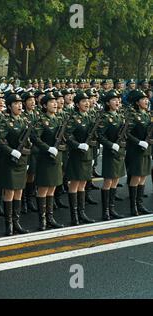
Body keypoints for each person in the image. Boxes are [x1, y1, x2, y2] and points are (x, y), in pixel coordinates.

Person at [0, 93, 30, 236]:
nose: (20, 105)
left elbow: (31, 139)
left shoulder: (24, 121)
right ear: (9, 106)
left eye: (21, 103)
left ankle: (17, 222)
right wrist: (11, 151)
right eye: (16, 103)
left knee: (19, 191)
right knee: (9, 192)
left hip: (21, 161)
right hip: (9, 160)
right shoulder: (5, 122)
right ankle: (8, 224)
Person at [32, 92, 65, 230]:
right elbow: (35, 138)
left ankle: (50, 217)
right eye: (51, 102)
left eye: (55, 102)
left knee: (52, 187)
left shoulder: (59, 119)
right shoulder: (41, 120)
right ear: (44, 105)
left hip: (56, 158)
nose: (55, 104)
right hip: (45, 158)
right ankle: (42, 220)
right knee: (43, 188)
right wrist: (48, 148)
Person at [65, 92, 97, 226]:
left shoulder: (90, 117)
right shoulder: (73, 119)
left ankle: (82, 213)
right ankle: (74, 215)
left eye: (87, 101)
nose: (86, 103)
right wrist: (78, 145)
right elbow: (67, 136)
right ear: (77, 104)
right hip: (76, 155)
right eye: (83, 101)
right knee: (75, 183)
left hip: (88, 154)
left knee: (83, 183)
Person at [96, 90, 126, 220]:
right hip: (110, 152)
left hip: (119, 152)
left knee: (116, 180)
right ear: (108, 103)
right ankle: (105, 211)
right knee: (108, 181)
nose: (117, 101)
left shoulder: (120, 116)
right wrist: (110, 145)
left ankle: (112, 208)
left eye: (118, 99)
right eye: (114, 100)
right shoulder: (104, 117)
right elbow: (99, 135)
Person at [126, 90, 153, 216]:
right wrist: (138, 142)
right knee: (136, 176)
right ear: (137, 102)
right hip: (136, 150)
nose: (146, 101)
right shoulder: (133, 115)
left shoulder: (148, 115)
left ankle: (140, 204)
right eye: (143, 99)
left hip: (146, 150)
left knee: (143, 177)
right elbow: (127, 133)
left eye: (147, 99)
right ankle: (133, 206)